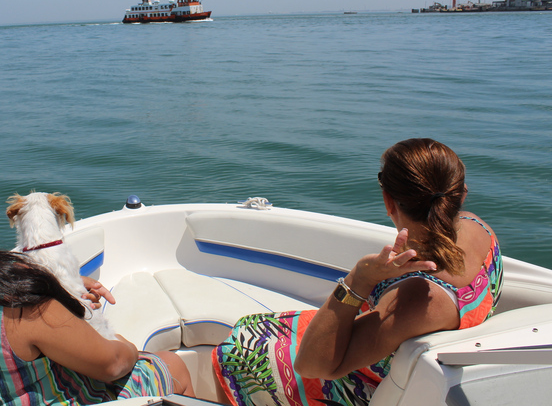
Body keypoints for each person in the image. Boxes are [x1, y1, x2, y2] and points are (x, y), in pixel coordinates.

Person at [0, 127, 193, 406]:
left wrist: (62, 285)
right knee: (172, 367)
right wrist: (126, 345)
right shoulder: (16, 298)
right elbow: (110, 365)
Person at [212, 138, 503, 406]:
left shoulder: (417, 301)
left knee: (240, 345)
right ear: (460, 194)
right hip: (400, 365)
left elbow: (310, 366)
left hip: (351, 387)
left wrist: (358, 279)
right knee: (259, 324)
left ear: (389, 200)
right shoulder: (480, 230)